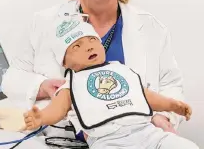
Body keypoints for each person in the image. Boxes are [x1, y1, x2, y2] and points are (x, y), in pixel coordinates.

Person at [1, 0, 198, 146]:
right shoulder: (44, 22)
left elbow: (170, 84)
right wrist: (42, 86)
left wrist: (164, 117)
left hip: (141, 136)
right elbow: (12, 78)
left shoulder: (151, 28)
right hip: (61, 140)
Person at [23, 19, 194, 149]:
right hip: (108, 141)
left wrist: (172, 105)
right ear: (65, 63)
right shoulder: (70, 87)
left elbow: (145, 95)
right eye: (77, 46)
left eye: (92, 40)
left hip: (147, 133)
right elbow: (57, 110)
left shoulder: (122, 71)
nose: (89, 47)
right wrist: (41, 117)